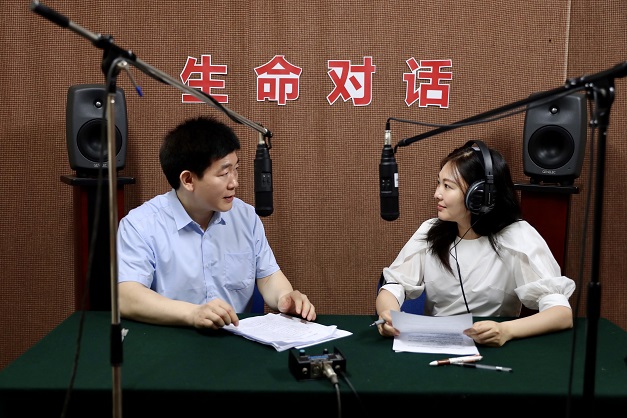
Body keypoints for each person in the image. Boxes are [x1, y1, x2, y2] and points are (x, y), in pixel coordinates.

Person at [117, 115, 316, 329]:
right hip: (172, 338)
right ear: (188, 180)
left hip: (235, 339)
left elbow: (267, 277)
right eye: (224, 173)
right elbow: (127, 297)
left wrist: (285, 297)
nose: (234, 182)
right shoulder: (141, 224)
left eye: (236, 169)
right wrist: (192, 314)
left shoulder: (246, 217)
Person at [375, 140, 575, 347]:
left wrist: (506, 331)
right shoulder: (429, 231)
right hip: (434, 345)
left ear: (480, 195)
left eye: (447, 186)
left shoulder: (518, 236)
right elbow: (393, 286)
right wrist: (388, 314)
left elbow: (561, 314)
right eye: (438, 183)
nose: (437, 194)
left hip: (493, 347)